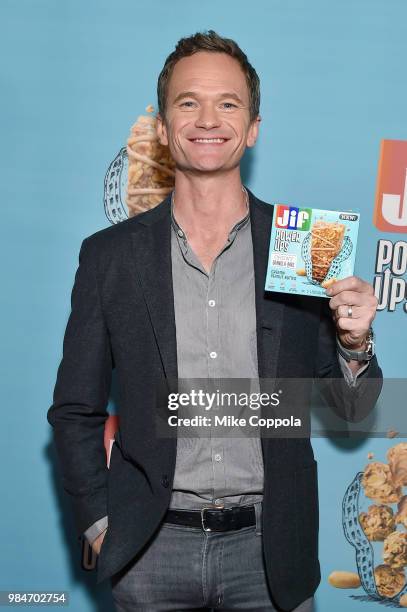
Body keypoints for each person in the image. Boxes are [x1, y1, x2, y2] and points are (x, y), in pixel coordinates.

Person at [47, 30, 382, 612]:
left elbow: (352, 415)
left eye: (228, 103)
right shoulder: (109, 256)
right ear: (161, 127)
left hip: (271, 555)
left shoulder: (305, 245)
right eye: (188, 102)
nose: (208, 118)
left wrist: (355, 343)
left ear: (253, 127)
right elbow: (75, 410)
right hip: (149, 554)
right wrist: (101, 525)